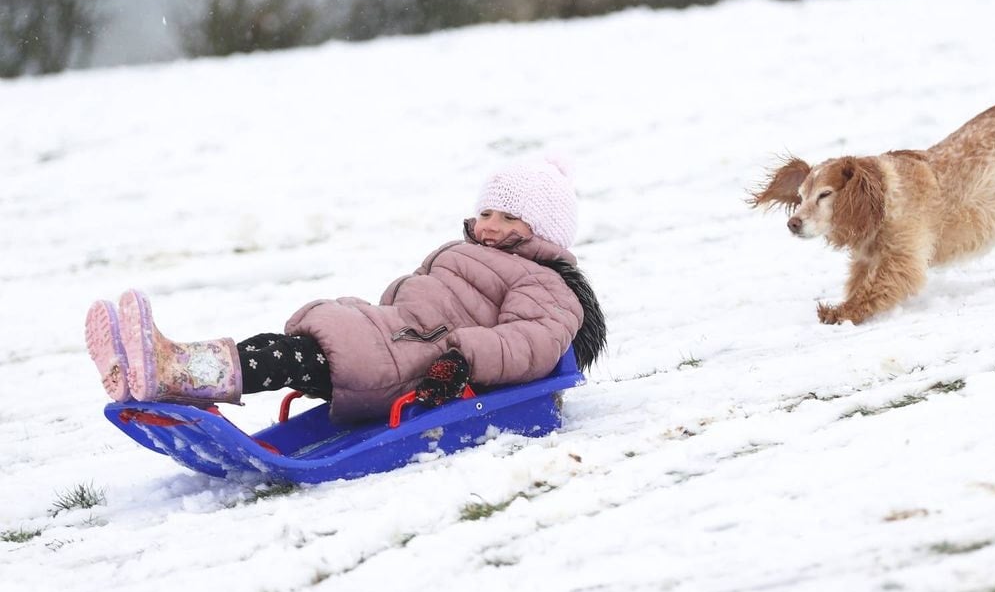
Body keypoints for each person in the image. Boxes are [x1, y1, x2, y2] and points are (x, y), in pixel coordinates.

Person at [85, 156, 606, 423]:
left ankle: (172, 371)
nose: (490, 225)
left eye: (510, 217)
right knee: (284, 349)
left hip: (422, 364)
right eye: (487, 211)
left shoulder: (545, 283)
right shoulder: (460, 250)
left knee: (290, 358)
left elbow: (529, 342)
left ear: (544, 230)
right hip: (397, 337)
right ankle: (162, 367)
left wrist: (461, 359)